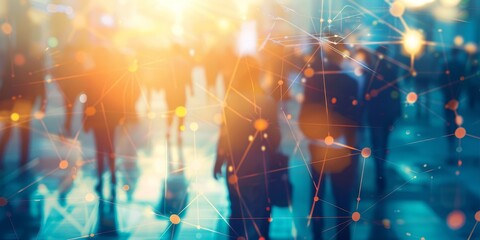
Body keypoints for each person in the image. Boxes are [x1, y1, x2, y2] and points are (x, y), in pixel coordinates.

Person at [299, 36, 361, 240]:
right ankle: (343, 236)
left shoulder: (314, 80)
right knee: (342, 200)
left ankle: (317, 234)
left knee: (317, 197)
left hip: (318, 147)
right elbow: (355, 119)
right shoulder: (349, 82)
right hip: (342, 148)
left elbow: (304, 117)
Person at [214, 56, 281, 239]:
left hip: (235, 163)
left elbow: (224, 135)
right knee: (261, 211)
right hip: (259, 164)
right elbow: (275, 139)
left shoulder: (231, 101)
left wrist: (218, 161)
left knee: (236, 210)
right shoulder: (266, 102)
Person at [83, 46, 139, 196]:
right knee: (110, 146)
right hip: (110, 116)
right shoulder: (113, 73)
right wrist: (121, 114)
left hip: (96, 116)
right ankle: (112, 175)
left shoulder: (90, 74)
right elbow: (119, 95)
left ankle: (101, 177)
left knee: (99, 148)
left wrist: (86, 118)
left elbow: (87, 98)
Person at [0, 47, 46, 170]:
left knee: (21, 131)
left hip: (23, 104)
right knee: (11, 131)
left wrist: (41, 103)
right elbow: (5, 87)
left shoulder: (26, 70)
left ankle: (23, 159)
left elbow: (39, 86)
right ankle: (15, 158)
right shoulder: (14, 70)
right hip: (15, 104)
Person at [365, 46, 402, 194]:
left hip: (375, 114)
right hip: (388, 113)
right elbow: (396, 92)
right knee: (384, 142)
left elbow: (365, 94)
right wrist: (397, 110)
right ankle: (381, 170)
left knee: (377, 143)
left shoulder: (370, 72)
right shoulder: (391, 72)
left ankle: (379, 170)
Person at [162, 44, 194, 145]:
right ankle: (179, 133)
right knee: (181, 113)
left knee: (170, 111)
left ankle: (168, 130)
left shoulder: (168, 63)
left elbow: (164, 77)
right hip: (181, 91)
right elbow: (189, 77)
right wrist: (191, 89)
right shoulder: (185, 63)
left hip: (170, 92)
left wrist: (162, 88)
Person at [440, 48, 466, 165]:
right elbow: (463, 80)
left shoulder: (446, 64)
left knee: (448, 118)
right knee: (454, 117)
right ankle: (454, 138)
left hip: (448, 96)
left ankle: (450, 139)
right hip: (456, 96)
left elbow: (441, 80)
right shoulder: (460, 65)